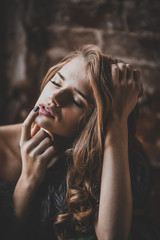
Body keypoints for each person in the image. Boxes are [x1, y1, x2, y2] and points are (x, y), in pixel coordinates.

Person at [0, 44, 149, 240]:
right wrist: (28, 179)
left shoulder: (101, 160)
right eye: (56, 82)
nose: (55, 97)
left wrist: (117, 118)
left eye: (77, 101)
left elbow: (112, 236)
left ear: (93, 122)